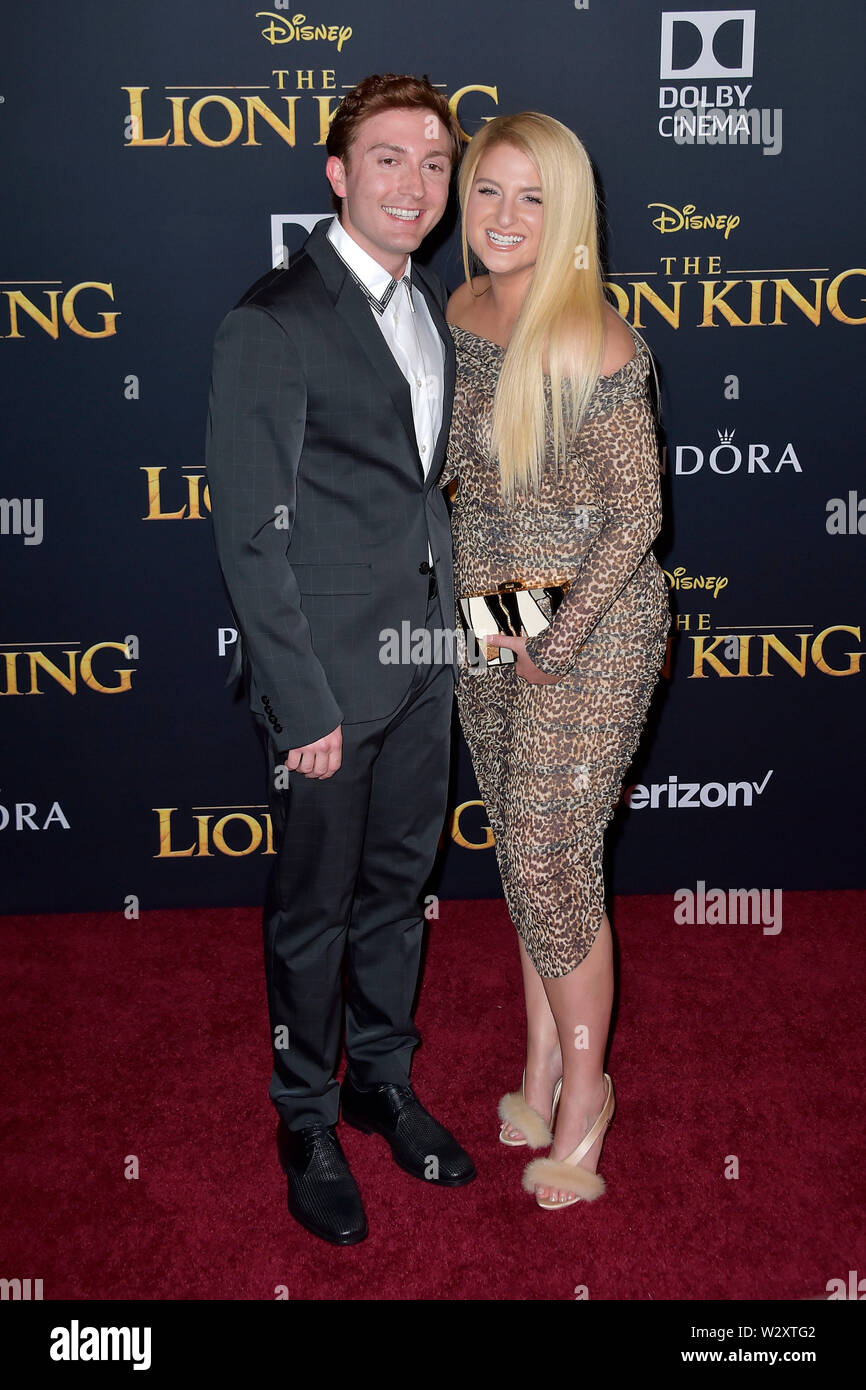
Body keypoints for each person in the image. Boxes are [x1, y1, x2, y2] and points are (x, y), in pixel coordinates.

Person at [205, 74, 475, 1247]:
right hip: (326, 685)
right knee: (312, 910)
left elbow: (426, 502)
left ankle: (380, 1078)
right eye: (386, 160)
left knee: (398, 894)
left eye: (431, 163)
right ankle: (304, 1114)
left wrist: (481, 636)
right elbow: (247, 534)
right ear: (336, 172)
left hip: (424, 670)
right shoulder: (274, 317)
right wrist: (297, 697)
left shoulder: (432, 307)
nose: (413, 184)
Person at [444, 112, 670, 1210]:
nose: (501, 216)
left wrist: (559, 637)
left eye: (531, 197)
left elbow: (636, 516)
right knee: (520, 854)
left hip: (595, 616)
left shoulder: (594, 336)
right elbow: (459, 477)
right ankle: (534, 1067)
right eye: (487, 189)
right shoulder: (461, 306)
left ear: (568, 213)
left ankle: (586, 1097)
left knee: (549, 857)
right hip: (493, 606)